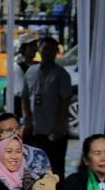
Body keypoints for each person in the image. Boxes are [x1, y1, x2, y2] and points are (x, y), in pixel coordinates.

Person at [22, 37, 72, 181]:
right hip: (35, 130)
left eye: (52, 49)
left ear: (56, 52)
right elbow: (25, 98)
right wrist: (27, 120)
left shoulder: (62, 75)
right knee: (34, 167)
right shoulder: (31, 71)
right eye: (45, 49)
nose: (48, 53)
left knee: (55, 168)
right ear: (39, 50)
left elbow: (65, 102)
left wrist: (59, 127)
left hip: (54, 131)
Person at [0, 113, 51, 179]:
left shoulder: (38, 154)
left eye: (16, 128)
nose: (15, 133)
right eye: (8, 131)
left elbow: (49, 185)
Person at [14, 34, 39, 120]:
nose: (34, 49)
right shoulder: (18, 67)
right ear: (23, 49)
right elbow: (21, 93)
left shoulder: (38, 65)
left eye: (35, 45)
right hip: (23, 111)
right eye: (31, 46)